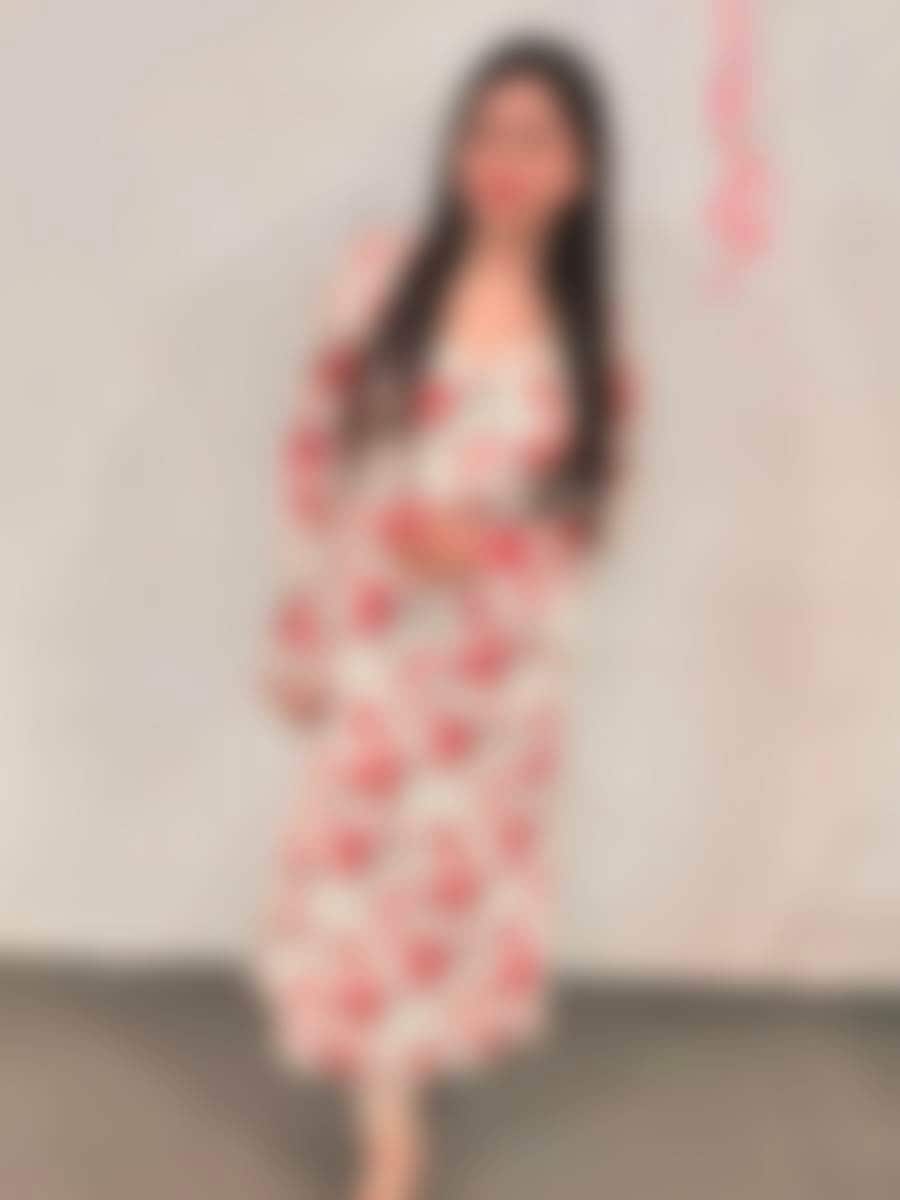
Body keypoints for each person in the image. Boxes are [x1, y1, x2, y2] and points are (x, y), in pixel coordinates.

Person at [257, 34, 626, 1200]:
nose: (504, 159)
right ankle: (388, 1129)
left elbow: (583, 530)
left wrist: (490, 553)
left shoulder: (588, 348)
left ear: (581, 167)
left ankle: (412, 1080)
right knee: (359, 881)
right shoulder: (378, 278)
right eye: (484, 131)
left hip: (498, 680)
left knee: (449, 895)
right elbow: (315, 453)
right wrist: (300, 630)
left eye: (535, 138)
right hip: (379, 649)